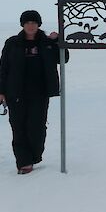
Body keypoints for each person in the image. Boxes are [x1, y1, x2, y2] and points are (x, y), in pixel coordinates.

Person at [0, 10, 69, 174]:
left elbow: (63, 58)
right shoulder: (12, 43)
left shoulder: (46, 42)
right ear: (22, 25)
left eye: (34, 23)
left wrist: (58, 40)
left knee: (36, 127)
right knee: (18, 127)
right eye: (27, 23)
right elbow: (3, 68)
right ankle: (24, 162)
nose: (30, 26)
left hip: (40, 92)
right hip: (15, 92)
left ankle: (34, 156)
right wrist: (1, 91)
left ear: (39, 25)